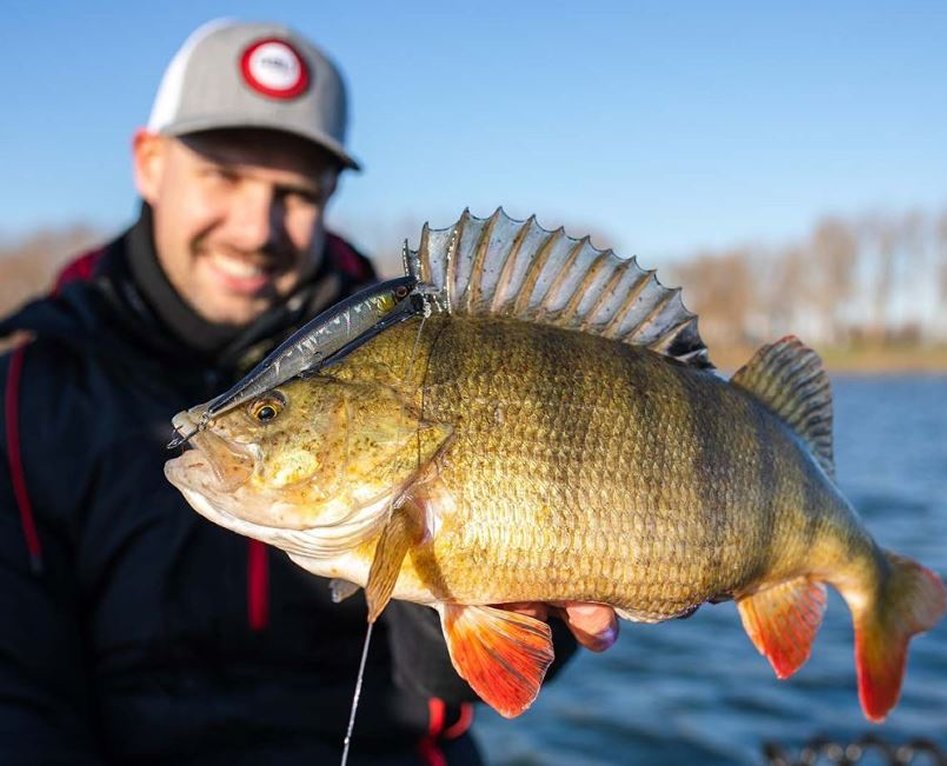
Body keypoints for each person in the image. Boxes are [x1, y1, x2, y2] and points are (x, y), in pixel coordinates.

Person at [0, 20, 618, 766]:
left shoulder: (410, 349)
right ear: (150, 163)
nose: (257, 228)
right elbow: (18, 693)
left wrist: (486, 586)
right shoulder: (28, 395)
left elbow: (455, 688)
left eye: (293, 193)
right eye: (223, 175)